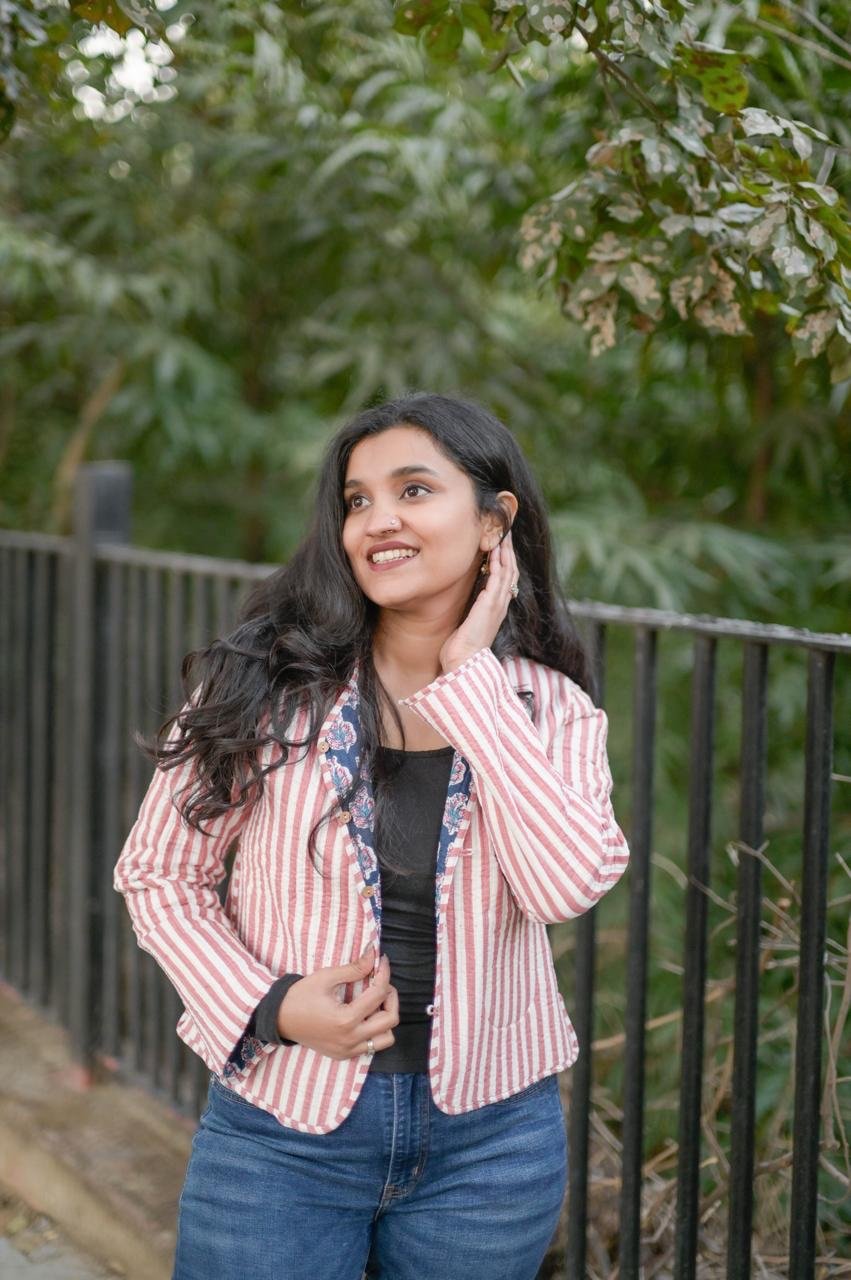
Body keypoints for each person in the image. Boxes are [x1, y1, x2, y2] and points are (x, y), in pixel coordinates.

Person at [113, 392, 630, 1280]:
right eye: (357, 501)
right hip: (284, 1128)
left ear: (494, 521)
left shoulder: (552, 711)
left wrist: (470, 683)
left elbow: (564, 887)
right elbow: (159, 874)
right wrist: (271, 1005)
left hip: (492, 1145)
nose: (378, 520)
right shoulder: (265, 688)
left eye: (413, 490)